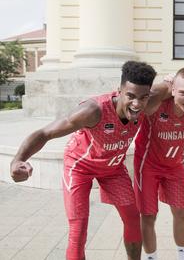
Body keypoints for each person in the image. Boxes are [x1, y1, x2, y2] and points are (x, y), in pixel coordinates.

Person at [9, 60, 157, 260]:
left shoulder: (145, 105)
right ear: (119, 91)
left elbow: (179, 88)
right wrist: (18, 160)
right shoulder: (93, 110)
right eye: (130, 96)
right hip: (79, 166)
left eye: (143, 97)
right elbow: (45, 132)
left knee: (132, 217)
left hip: (112, 169)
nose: (137, 104)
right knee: (78, 229)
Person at [134, 67, 184, 260]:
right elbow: (144, 97)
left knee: (181, 213)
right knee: (148, 216)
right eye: (183, 93)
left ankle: (183, 257)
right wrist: (164, 83)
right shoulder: (158, 104)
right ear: (172, 90)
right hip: (148, 165)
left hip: (175, 166)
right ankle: (151, 258)